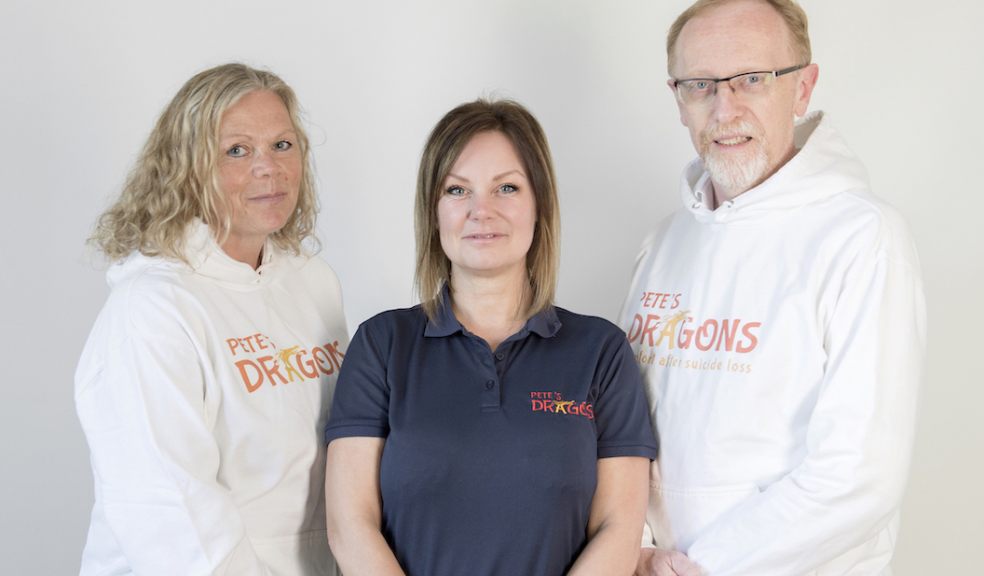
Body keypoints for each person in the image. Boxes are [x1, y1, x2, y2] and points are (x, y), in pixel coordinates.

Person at [620, 1, 926, 574]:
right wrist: (630, 544)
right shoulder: (663, 245)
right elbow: (620, 425)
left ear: (803, 88)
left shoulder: (862, 238)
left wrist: (701, 567)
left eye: (752, 80)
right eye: (699, 85)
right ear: (678, 99)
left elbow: (858, 475)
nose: (724, 109)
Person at [324, 99, 657, 575]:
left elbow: (619, 529)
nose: (482, 211)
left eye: (507, 187)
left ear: (538, 205)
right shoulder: (382, 344)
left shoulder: (601, 350)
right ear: (433, 212)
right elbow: (350, 525)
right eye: (458, 190)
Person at [75, 63, 348, 575]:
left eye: (282, 145)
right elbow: (170, 512)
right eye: (237, 151)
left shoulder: (314, 283)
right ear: (187, 167)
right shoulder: (153, 309)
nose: (268, 169)